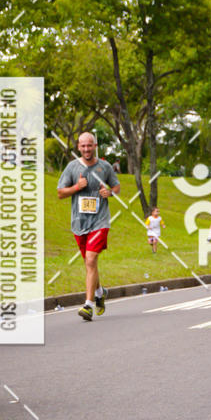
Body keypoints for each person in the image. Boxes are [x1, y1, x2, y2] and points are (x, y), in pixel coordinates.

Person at [57, 132, 120, 321]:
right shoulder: (72, 167)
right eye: (83, 146)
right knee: (89, 263)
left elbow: (116, 186)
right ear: (78, 147)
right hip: (79, 223)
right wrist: (77, 187)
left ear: (95, 146)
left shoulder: (105, 167)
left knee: (91, 260)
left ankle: (88, 305)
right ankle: (100, 293)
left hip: (100, 221)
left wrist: (110, 192)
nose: (86, 149)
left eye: (89, 145)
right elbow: (60, 193)